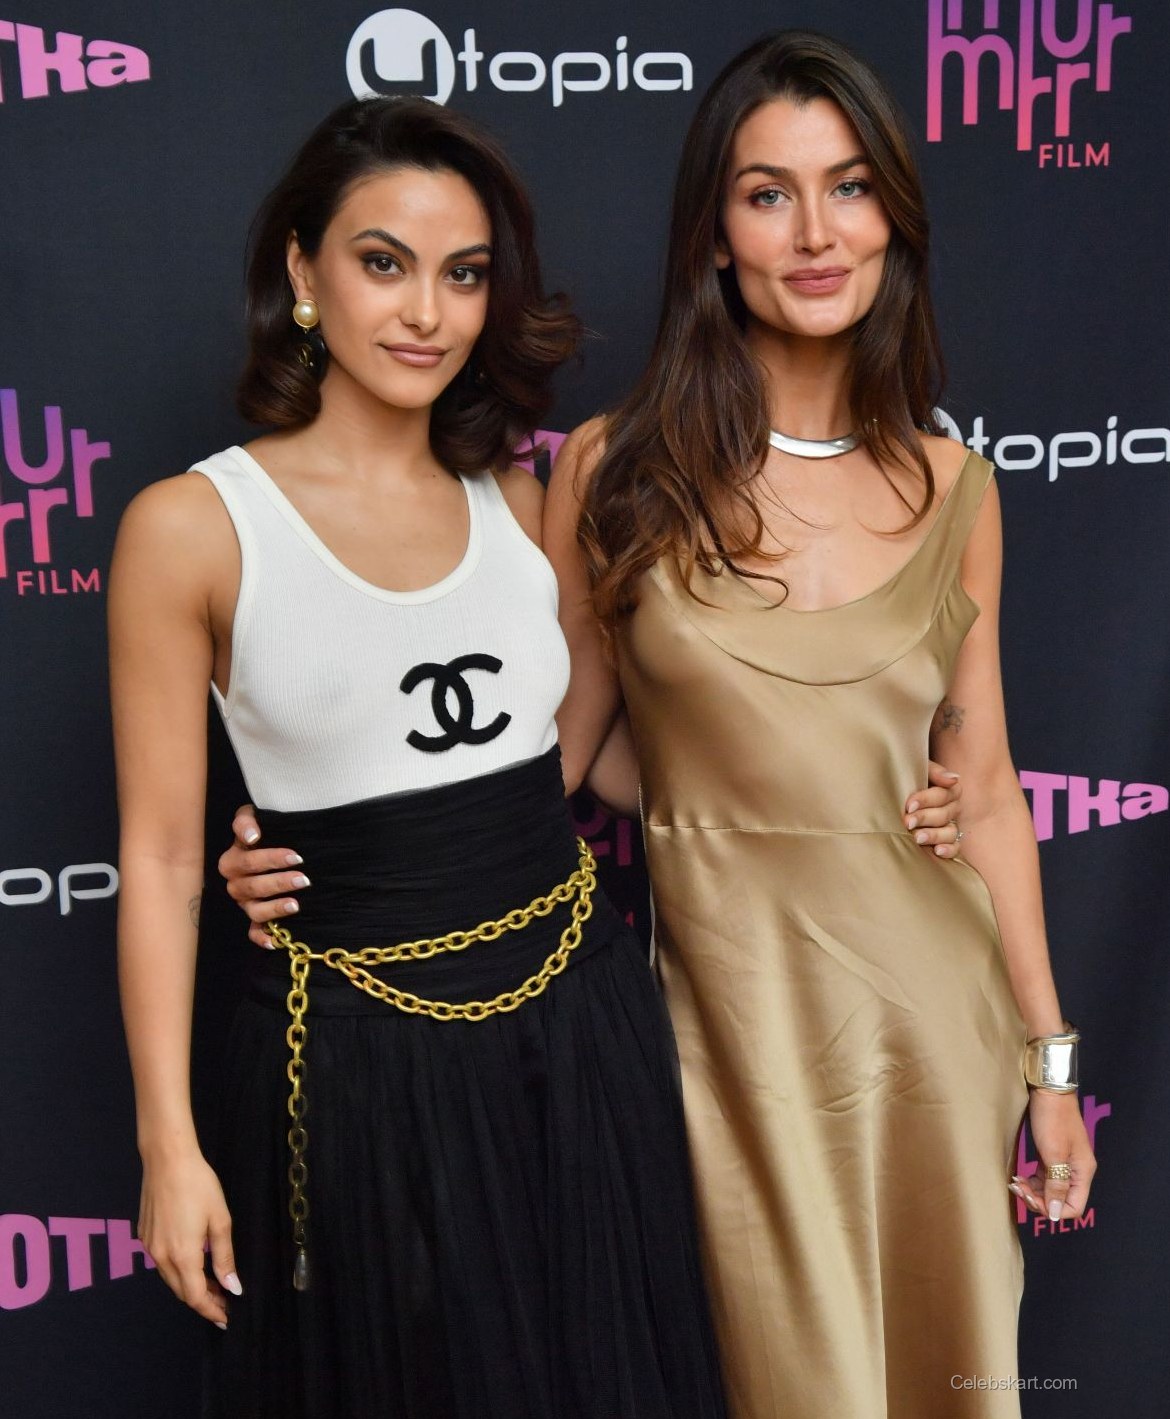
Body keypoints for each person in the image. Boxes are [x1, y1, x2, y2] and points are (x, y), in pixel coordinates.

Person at [109, 96, 730, 1419]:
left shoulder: (525, 500)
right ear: (302, 270)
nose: (426, 314)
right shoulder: (193, 528)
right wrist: (169, 1146)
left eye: (463, 274)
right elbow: (160, 857)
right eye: (382, 262)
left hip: (579, 1027)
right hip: (347, 1067)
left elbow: (577, 765)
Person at [543, 30, 1095, 1419]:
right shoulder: (619, 469)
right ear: (712, 232)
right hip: (736, 1040)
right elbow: (562, 753)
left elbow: (985, 790)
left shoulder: (956, 487)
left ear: (891, 218)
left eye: (847, 188)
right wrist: (328, 846)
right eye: (766, 193)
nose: (812, 233)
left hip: (934, 1024)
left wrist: (1048, 1066)